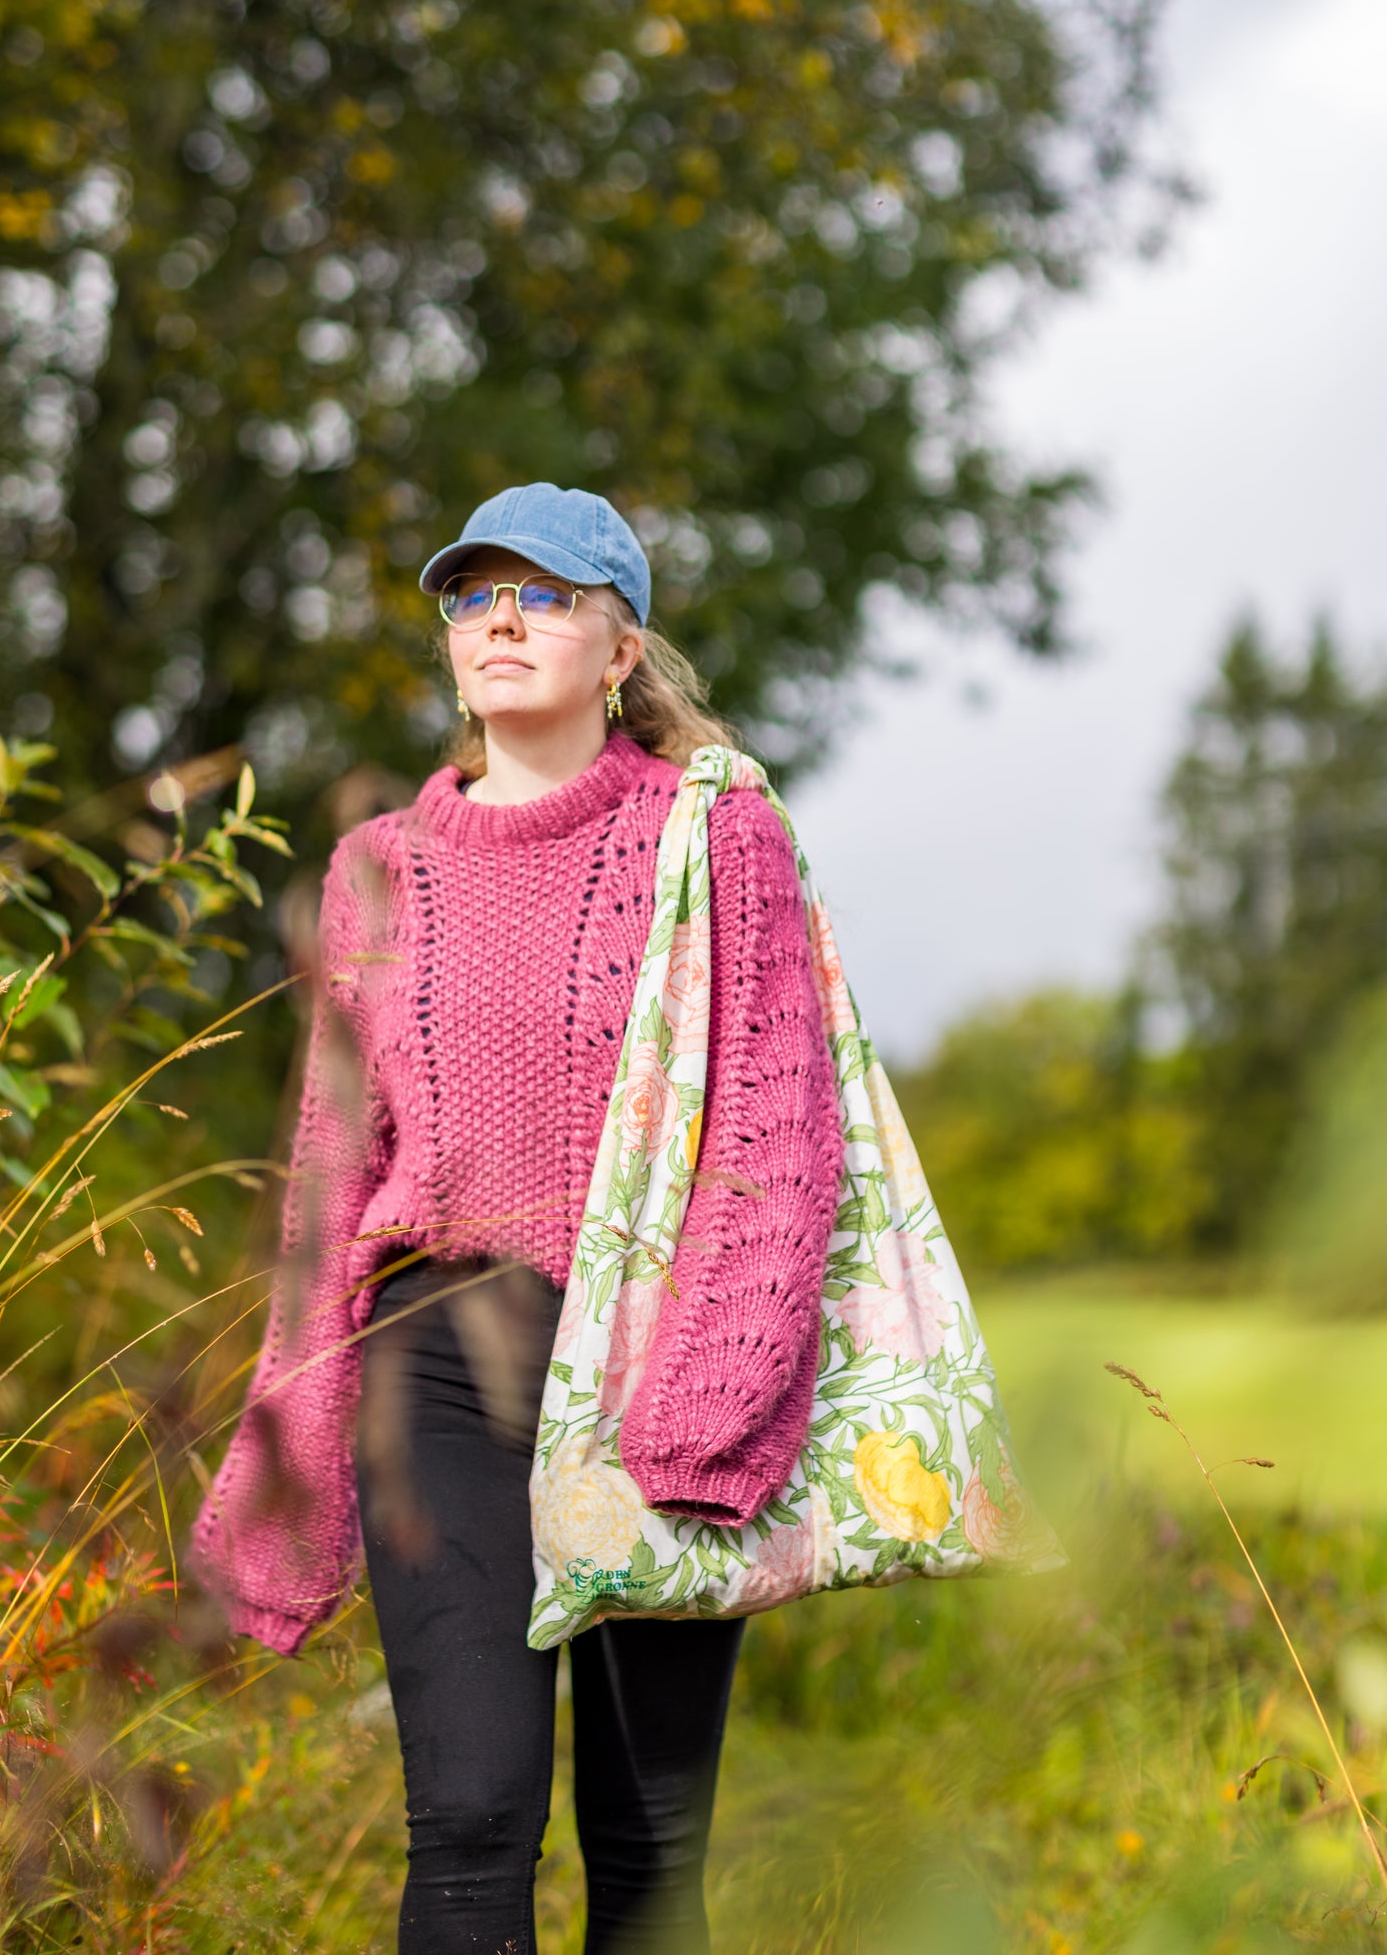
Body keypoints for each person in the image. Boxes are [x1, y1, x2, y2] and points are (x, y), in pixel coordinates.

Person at [190, 481, 845, 1955]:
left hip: (654, 1358)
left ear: (620, 648)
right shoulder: (376, 867)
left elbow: (776, 1124)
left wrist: (711, 1403)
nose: (501, 619)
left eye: (545, 594)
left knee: (648, 1842)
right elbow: (330, 1174)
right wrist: (291, 1433)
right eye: (473, 594)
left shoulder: (714, 832)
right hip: (434, 1354)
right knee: (472, 1821)